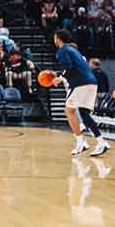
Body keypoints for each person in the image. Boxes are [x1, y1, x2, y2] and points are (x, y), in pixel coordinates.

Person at [46, 29, 107, 158]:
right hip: (91, 82)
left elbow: (68, 67)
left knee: (69, 111)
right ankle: (101, 142)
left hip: (80, 83)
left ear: (58, 39)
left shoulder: (62, 51)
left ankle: (81, 141)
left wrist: (59, 77)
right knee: (84, 114)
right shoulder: (74, 51)